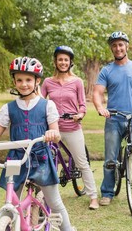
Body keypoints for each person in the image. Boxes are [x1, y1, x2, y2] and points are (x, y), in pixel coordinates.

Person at [0, 57, 75, 231]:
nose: (24, 84)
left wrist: (52, 133)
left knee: (55, 202)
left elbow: (56, 135)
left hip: (41, 158)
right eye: (20, 80)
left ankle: (68, 229)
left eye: (29, 80)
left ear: (37, 81)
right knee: (11, 201)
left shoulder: (47, 106)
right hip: (15, 160)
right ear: (14, 81)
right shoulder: (8, 108)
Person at [92, 31, 132, 206]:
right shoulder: (107, 70)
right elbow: (97, 93)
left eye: (121, 44)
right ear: (111, 48)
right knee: (111, 160)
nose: (118, 48)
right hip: (113, 119)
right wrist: (100, 108)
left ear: (127, 46)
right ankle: (107, 192)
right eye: (114, 45)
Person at [41, 46, 99, 210]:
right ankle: (47, 198)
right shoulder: (47, 82)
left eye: (66, 60)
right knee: (49, 163)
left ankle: (93, 197)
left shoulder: (77, 82)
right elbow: (40, 101)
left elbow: (82, 105)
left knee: (82, 162)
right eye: (60, 59)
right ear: (55, 62)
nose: (63, 62)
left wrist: (80, 114)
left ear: (70, 62)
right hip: (53, 129)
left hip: (72, 127)